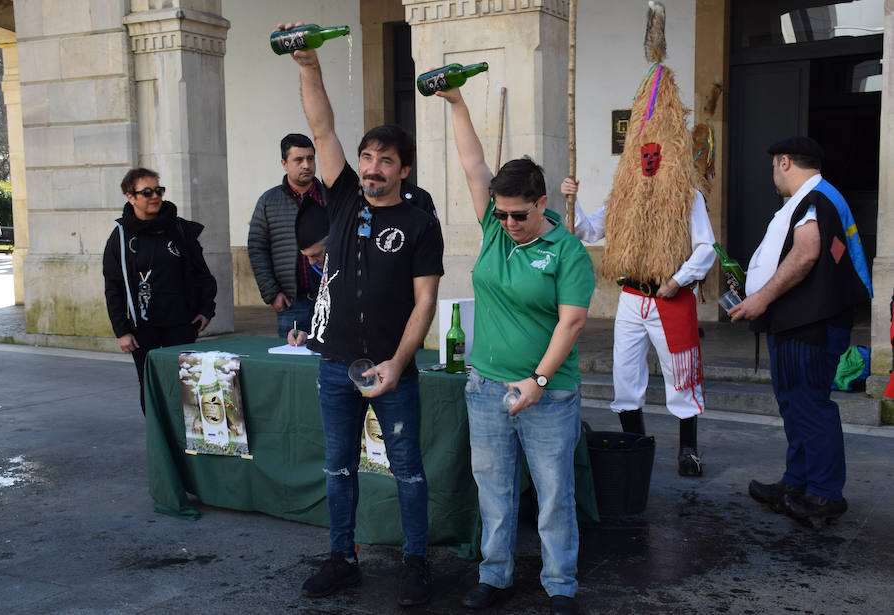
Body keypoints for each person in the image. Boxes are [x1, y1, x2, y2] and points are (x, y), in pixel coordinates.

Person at [285, 22, 445, 607]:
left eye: (386, 160)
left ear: (405, 169)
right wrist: (307, 65)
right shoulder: (345, 195)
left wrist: (399, 364)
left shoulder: (421, 223)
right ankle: (342, 558)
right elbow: (322, 126)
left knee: (406, 469)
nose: (373, 167)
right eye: (368, 157)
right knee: (338, 468)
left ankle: (416, 562)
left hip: (389, 366)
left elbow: (425, 301)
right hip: (334, 364)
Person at [438, 86, 595, 615]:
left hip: (547, 395)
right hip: (485, 387)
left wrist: (539, 381)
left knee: (553, 497)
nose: (508, 224)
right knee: (494, 491)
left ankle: (560, 585)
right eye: (501, 214)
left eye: (519, 215)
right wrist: (457, 102)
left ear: (543, 202)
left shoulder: (567, 252)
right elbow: (473, 161)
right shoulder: (496, 229)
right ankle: (495, 574)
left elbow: (571, 323)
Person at [561, 1, 715, 477]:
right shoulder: (623, 196)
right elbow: (588, 232)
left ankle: (688, 449)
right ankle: (634, 446)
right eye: (642, 156)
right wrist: (574, 200)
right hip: (631, 297)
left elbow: (706, 248)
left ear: (666, 155)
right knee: (626, 376)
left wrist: (679, 279)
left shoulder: (687, 196)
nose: (648, 162)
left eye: (655, 156)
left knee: (679, 377)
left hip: (670, 298)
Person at [729, 136, 872, 528]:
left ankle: (824, 494)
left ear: (785, 161)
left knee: (810, 406)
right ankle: (797, 484)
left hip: (808, 324)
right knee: (795, 404)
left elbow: (806, 252)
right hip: (796, 322)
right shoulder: (816, 197)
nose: (773, 173)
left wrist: (761, 298)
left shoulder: (815, 200)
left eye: (774, 165)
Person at [103, 168, 217, 414]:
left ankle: (186, 444)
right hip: (143, 328)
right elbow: (113, 287)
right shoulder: (121, 236)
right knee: (151, 388)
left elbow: (202, 275)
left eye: (158, 190)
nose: (155, 196)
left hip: (181, 323)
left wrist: (206, 309)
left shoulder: (179, 229)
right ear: (130, 197)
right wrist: (121, 330)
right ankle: (159, 445)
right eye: (146, 192)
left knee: (188, 388)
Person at [248, 133, 325, 338]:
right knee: (294, 360)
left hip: (330, 298)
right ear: (284, 163)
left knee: (331, 359)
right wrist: (271, 293)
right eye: (298, 160)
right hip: (292, 302)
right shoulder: (268, 201)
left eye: (310, 158)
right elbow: (257, 248)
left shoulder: (329, 196)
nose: (306, 165)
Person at [287, 195, 328, 347]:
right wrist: (306, 334)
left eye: (316, 255)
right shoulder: (316, 267)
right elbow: (319, 310)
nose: (311, 262)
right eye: (306, 257)